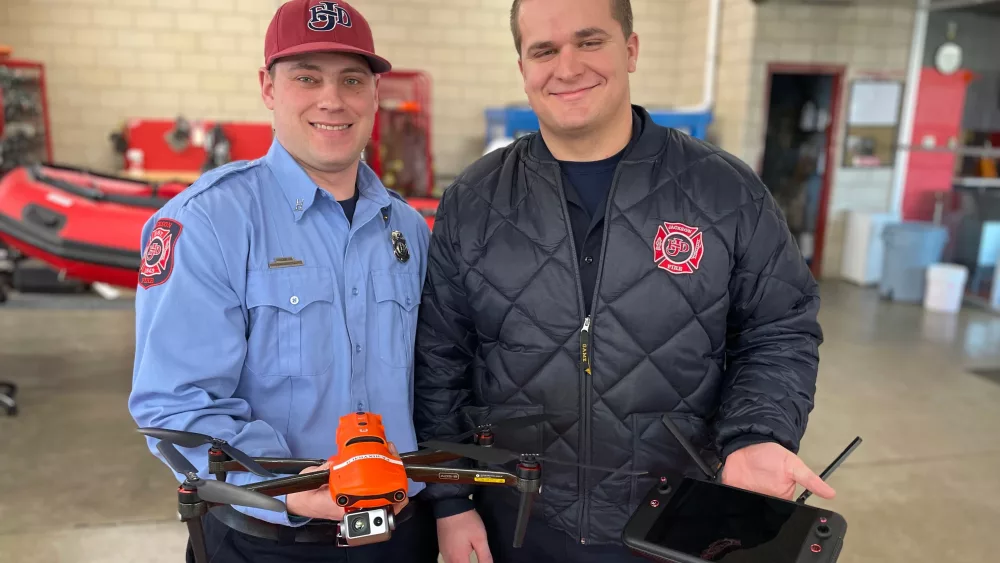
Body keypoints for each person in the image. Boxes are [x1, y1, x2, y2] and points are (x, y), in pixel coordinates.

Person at [412, 0, 833, 562]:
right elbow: (441, 358)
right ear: (523, 66)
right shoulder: (475, 199)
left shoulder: (724, 191)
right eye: (544, 50)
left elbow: (778, 330)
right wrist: (450, 501)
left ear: (630, 50)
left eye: (590, 42)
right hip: (518, 521)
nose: (566, 67)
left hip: (675, 519)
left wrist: (756, 434)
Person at [127, 1, 437, 561]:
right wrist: (293, 487)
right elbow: (174, 404)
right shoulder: (208, 223)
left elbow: (437, 382)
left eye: (351, 79)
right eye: (306, 77)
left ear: (373, 95)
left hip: (400, 535)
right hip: (267, 541)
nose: (332, 99)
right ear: (268, 88)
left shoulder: (409, 229)